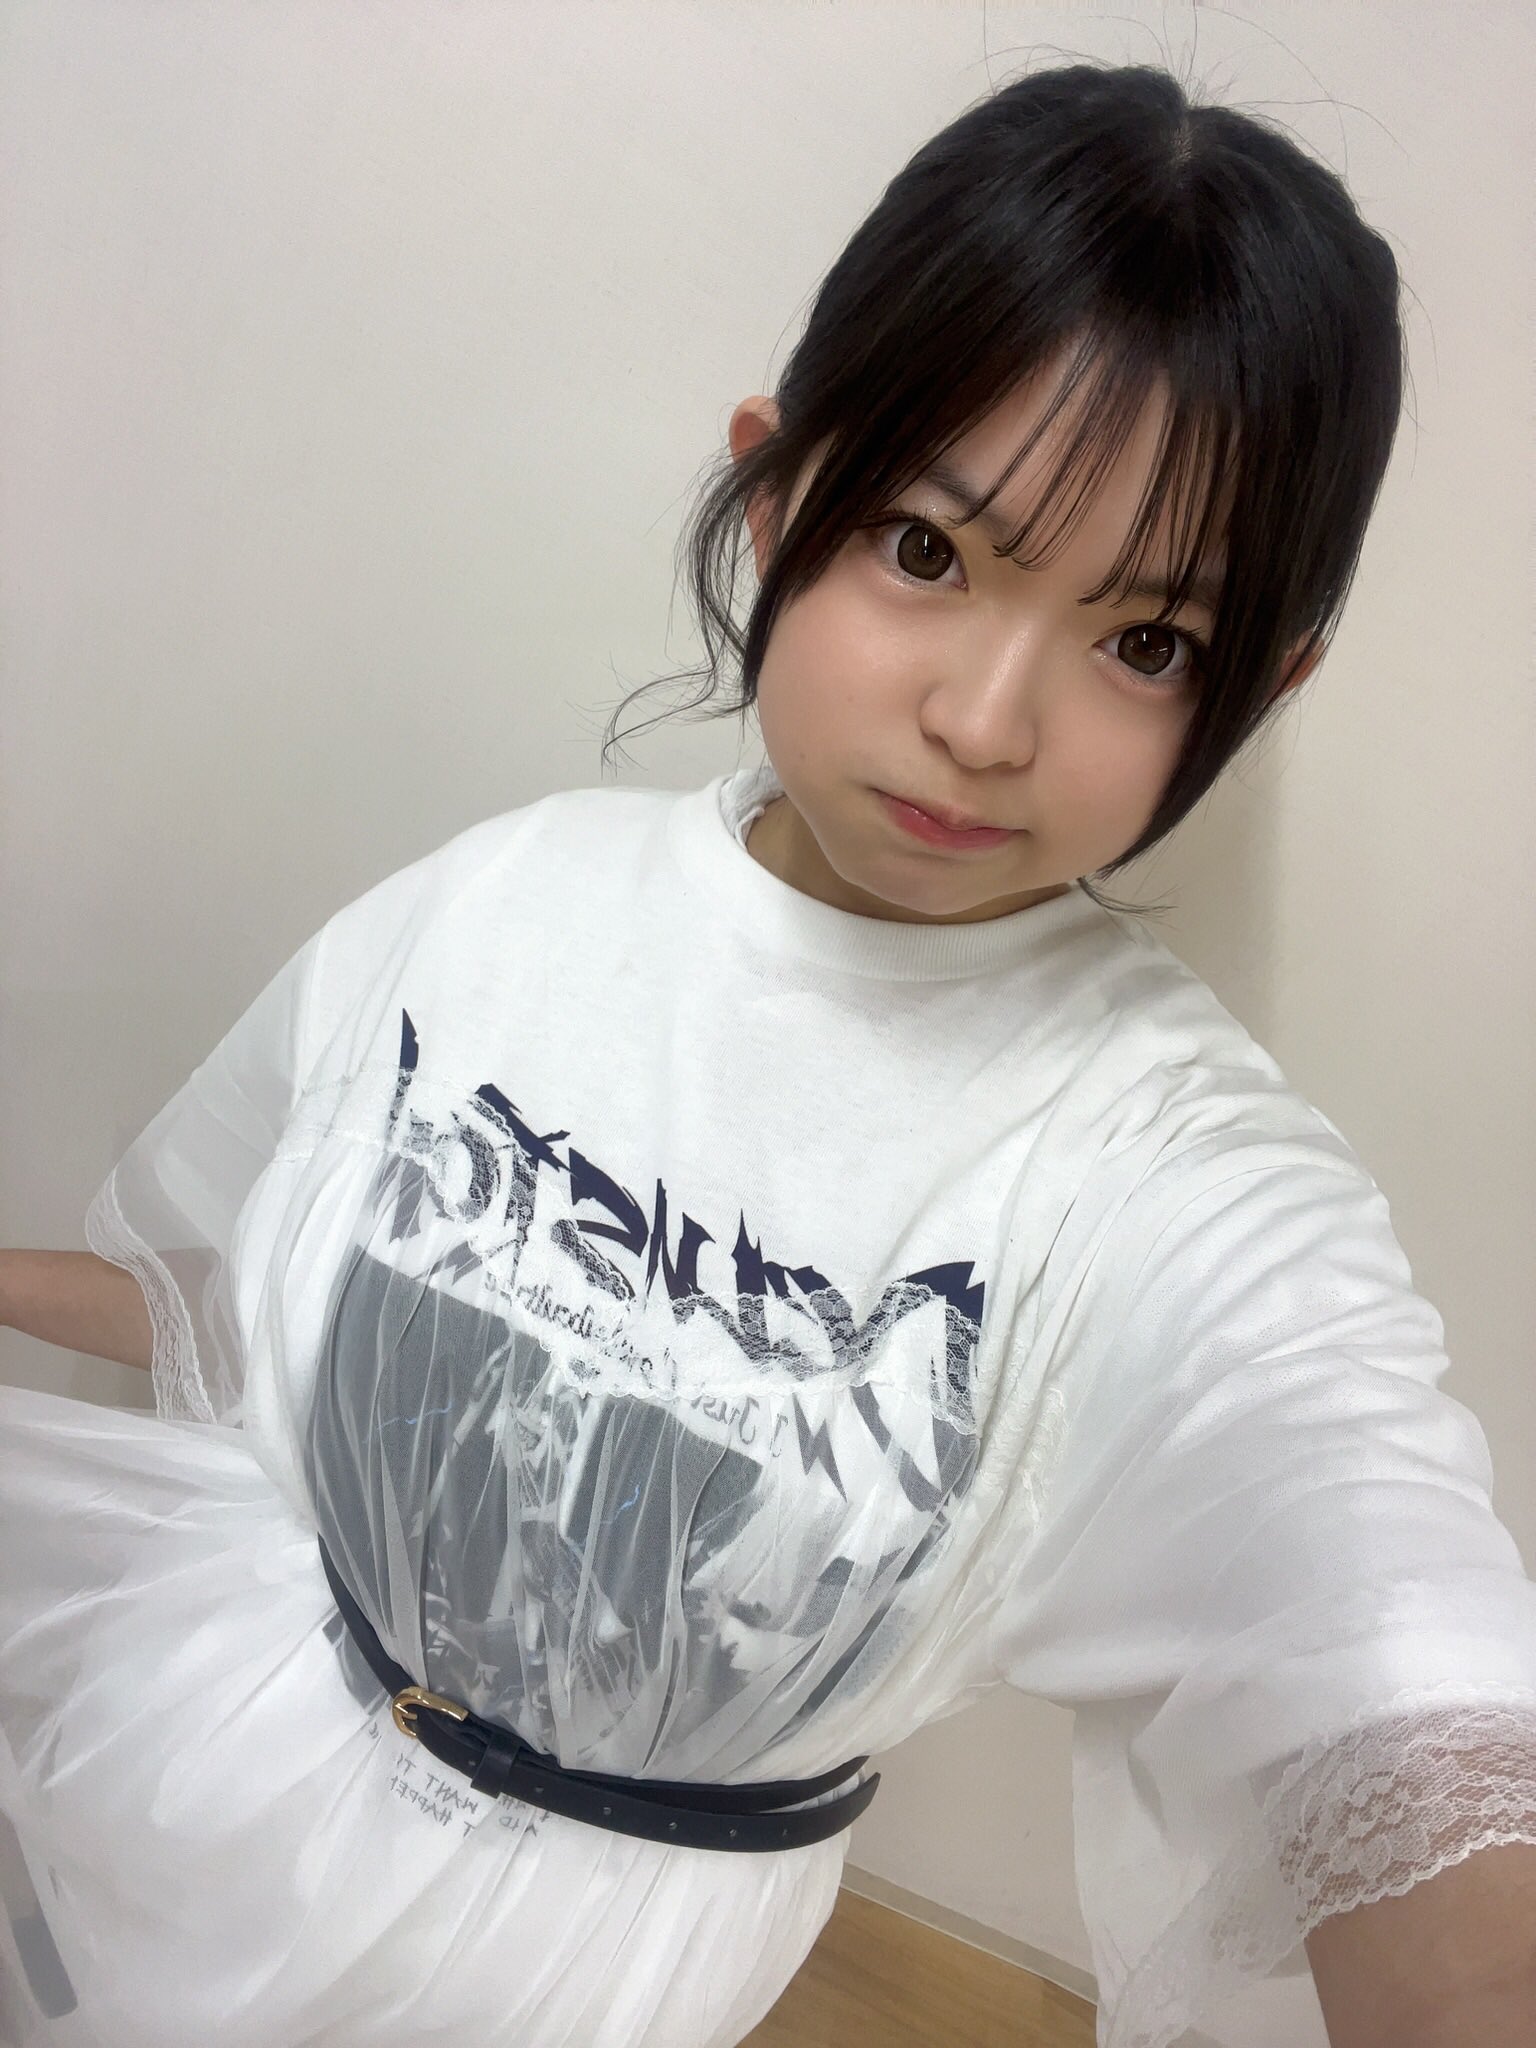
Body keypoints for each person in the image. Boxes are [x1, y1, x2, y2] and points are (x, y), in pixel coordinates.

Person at [2, 55, 1533, 2048]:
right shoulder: (511, 896)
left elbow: (1390, 1653)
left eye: (1147, 642)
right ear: (779, 487)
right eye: (928, 551)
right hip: (198, 1766)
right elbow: (281, 1297)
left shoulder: (1175, 1175)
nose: (986, 718)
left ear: (1264, 680)